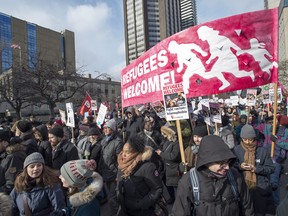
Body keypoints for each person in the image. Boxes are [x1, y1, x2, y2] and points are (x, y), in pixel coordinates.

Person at [171, 135, 254, 216]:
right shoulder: (188, 181)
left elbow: (247, 208)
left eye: (228, 162)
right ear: (207, 160)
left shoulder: (234, 176)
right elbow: (180, 212)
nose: (227, 167)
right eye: (221, 163)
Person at [233, 124, 275, 216]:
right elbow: (231, 165)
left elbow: (271, 168)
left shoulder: (262, 151)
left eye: (250, 139)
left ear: (254, 138)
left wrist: (256, 169)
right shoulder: (236, 150)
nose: (248, 142)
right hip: (243, 188)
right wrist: (240, 166)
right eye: (245, 139)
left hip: (260, 188)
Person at [116, 134, 163, 216]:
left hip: (143, 212)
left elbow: (157, 189)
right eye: (123, 151)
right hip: (124, 210)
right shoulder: (122, 166)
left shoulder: (147, 167)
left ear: (136, 152)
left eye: (127, 152)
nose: (123, 155)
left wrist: (142, 204)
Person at [97, 119, 123, 215]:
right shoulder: (104, 140)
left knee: (113, 198)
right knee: (111, 197)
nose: (106, 130)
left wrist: (118, 174)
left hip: (114, 175)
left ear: (113, 129)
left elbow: (120, 161)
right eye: (104, 128)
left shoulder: (118, 142)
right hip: (106, 173)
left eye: (108, 128)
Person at [156, 125, 181, 204]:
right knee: (168, 185)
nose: (163, 135)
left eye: (165, 133)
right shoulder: (166, 141)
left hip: (173, 169)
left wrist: (161, 154)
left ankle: (178, 202)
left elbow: (173, 156)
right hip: (166, 168)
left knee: (176, 187)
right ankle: (172, 198)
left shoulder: (177, 143)